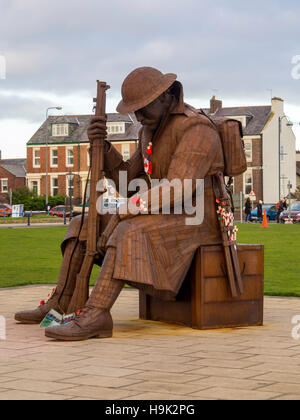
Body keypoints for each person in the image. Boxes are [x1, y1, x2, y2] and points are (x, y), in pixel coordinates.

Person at [15, 67, 226, 341]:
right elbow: (129, 182)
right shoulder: (150, 132)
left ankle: (97, 312)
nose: (138, 116)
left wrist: (131, 207)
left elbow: (180, 187)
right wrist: (102, 147)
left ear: (165, 97)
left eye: (143, 107)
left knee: (128, 231)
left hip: (199, 220)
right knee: (83, 223)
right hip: (165, 215)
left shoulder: (195, 128)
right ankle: (62, 300)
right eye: (134, 110)